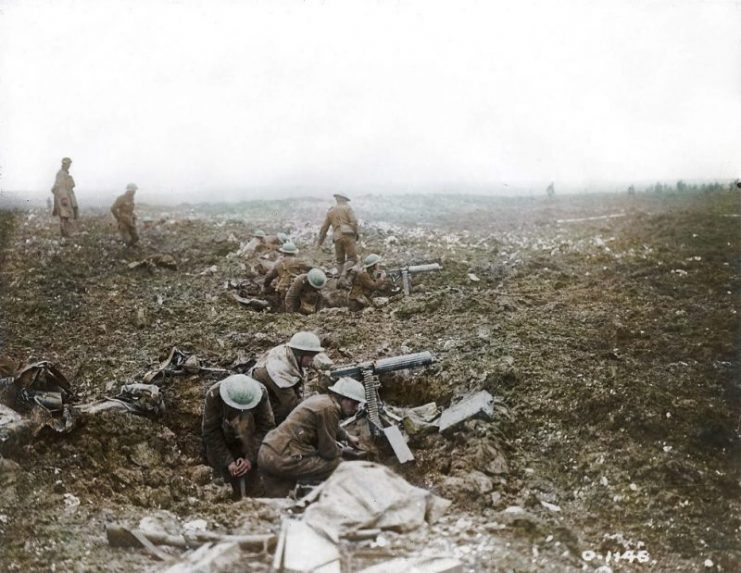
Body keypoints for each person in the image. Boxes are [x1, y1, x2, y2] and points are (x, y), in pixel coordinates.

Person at [258, 377, 364, 492]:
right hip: (284, 458)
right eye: (354, 403)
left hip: (268, 452)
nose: (356, 408)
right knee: (338, 465)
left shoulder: (324, 401)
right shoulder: (330, 410)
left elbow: (329, 425)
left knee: (279, 502)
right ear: (344, 399)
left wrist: (347, 437)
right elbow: (328, 452)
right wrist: (343, 452)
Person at [202, 374, 276, 499]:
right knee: (219, 473)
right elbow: (210, 431)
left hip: (250, 438)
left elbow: (267, 427)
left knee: (263, 468)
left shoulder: (261, 393)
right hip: (224, 438)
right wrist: (228, 461)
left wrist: (250, 459)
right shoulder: (214, 395)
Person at [250, 331, 324, 424]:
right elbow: (292, 405)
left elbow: (312, 360)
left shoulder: (291, 352)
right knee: (286, 413)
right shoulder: (279, 370)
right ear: (300, 354)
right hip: (259, 400)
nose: (312, 359)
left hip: (272, 389)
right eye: (310, 356)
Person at [317, 193, 359, 279]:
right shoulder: (347, 208)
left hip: (337, 238)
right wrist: (355, 233)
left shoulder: (331, 211)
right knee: (352, 259)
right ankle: (343, 277)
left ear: (337, 199)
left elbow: (324, 228)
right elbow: (354, 222)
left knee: (340, 261)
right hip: (348, 236)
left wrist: (319, 243)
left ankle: (339, 280)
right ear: (344, 200)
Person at [263, 242, 310, 309]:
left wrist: (266, 286)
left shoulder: (278, 263)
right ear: (294, 253)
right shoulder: (299, 261)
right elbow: (311, 268)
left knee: (280, 307)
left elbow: (269, 276)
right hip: (296, 289)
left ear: (283, 252)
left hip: (281, 291)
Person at [50, 157, 78, 237]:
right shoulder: (61, 174)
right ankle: (65, 233)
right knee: (64, 216)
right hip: (63, 197)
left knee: (66, 215)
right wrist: (64, 198)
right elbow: (60, 187)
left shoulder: (65, 173)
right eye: (68, 164)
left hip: (66, 196)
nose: (69, 166)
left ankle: (66, 233)